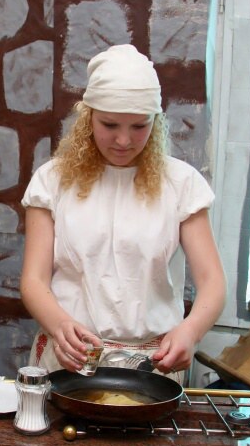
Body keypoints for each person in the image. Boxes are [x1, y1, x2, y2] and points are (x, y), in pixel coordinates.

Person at [20, 44, 225, 383]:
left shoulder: (181, 183)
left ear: (156, 122)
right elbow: (33, 280)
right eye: (110, 124)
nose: (124, 141)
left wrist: (191, 331)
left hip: (153, 366)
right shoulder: (52, 180)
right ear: (88, 117)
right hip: (70, 357)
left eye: (140, 126)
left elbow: (212, 282)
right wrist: (59, 325)